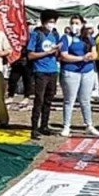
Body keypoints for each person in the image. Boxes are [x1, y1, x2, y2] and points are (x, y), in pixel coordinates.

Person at [58, 15, 99, 137]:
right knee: (69, 100)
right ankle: (66, 126)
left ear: (82, 24)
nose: (74, 25)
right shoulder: (66, 38)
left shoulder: (88, 38)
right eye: (72, 22)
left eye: (77, 23)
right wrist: (81, 58)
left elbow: (95, 52)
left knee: (85, 100)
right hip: (71, 72)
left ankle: (89, 125)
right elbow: (64, 55)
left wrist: (91, 56)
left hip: (87, 71)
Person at [28, 10, 62, 140]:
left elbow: (57, 53)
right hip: (40, 71)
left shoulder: (55, 34)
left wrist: (58, 51)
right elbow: (30, 55)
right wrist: (47, 53)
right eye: (49, 21)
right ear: (43, 22)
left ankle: (44, 125)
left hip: (53, 70)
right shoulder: (36, 34)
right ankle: (34, 127)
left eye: (53, 22)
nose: (51, 24)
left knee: (49, 99)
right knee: (39, 100)